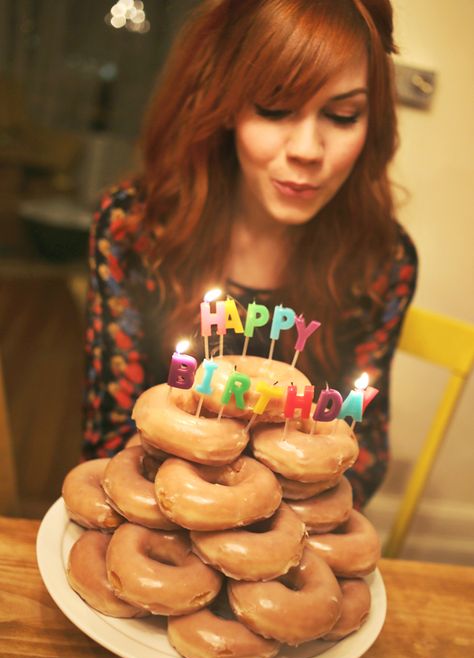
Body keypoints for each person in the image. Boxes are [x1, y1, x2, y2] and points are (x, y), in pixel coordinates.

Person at [82, 0, 417, 509]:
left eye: (343, 114)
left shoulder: (382, 261)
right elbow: (109, 440)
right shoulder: (133, 231)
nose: (307, 148)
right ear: (226, 105)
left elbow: (362, 454)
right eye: (274, 108)